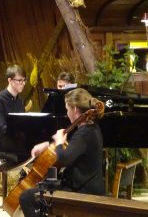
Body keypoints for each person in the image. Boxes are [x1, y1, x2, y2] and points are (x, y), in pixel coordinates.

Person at [19, 88, 105, 217]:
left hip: (82, 191)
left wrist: (59, 142)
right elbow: (73, 145)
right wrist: (48, 144)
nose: (67, 113)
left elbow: (65, 158)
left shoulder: (84, 134)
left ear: (74, 108)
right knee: (43, 188)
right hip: (87, 186)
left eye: (67, 109)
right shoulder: (91, 127)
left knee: (26, 198)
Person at [0, 64, 26, 155]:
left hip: (12, 141)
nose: (23, 83)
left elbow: (23, 123)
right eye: (20, 80)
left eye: (24, 80)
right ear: (10, 80)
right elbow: (1, 130)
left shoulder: (20, 100)